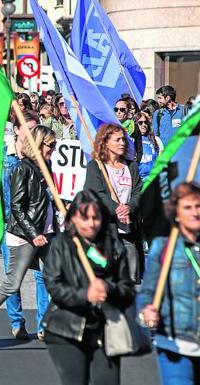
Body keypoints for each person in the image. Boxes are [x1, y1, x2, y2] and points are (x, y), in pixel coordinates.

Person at [0, 125, 57, 353]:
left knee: (57, 278)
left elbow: (45, 202)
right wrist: (33, 234)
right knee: (11, 284)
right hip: (24, 236)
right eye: (50, 145)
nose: (53, 150)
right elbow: (17, 207)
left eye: (55, 145)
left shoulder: (46, 168)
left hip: (46, 234)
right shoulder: (21, 169)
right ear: (37, 144)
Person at [43, 190, 134, 385]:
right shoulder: (62, 244)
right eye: (84, 218)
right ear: (73, 218)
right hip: (67, 329)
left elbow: (127, 288)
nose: (91, 223)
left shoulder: (114, 246)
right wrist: (85, 295)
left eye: (96, 217)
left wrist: (108, 289)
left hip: (105, 329)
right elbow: (53, 285)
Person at [138, 182, 200, 385]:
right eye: (187, 207)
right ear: (175, 213)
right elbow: (147, 293)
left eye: (198, 206)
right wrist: (146, 312)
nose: (195, 212)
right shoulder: (164, 247)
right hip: (176, 345)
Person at [0, 110, 50, 340]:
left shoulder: (41, 162)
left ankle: (44, 324)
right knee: (14, 279)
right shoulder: (5, 158)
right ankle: (17, 322)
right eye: (28, 130)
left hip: (38, 227)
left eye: (35, 130)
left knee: (42, 276)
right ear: (17, 130)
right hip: (12, 227)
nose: (32, 135)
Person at [84, 123, 143, 283]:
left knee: (130, 278)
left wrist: (129, 208)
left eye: (123, 139)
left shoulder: (131, 166)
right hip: (105, 232)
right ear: (105, 142)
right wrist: (117, 209)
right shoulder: (96, 166)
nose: (122, 143)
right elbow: (95, 193)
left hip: (128, 231)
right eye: (117, 140)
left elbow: (139, 192)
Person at [132, 111, 163, 181]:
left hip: (152, 178)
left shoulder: (156, 139)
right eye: (140, 123)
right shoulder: (131, 139)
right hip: (137, 179)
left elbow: (160, 160)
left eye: (145, 122)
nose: (144, 125)